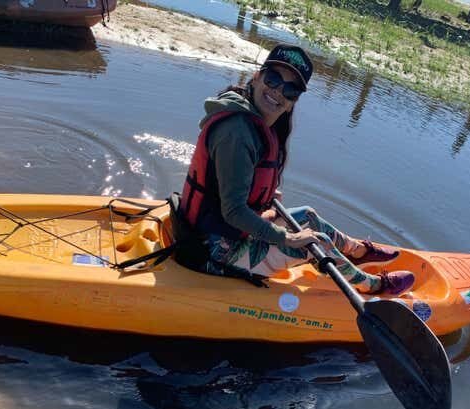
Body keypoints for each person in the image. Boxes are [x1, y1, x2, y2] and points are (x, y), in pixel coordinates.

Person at [176, 44, 414, 295]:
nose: (278, 91)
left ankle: (356, 252)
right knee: (316, 242)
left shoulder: (249, 121)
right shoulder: (237, 132)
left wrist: (264, 199)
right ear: (257, 77)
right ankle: (372, 286)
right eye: (273, 79)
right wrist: (287, 239)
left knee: (307, 215)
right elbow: (234, 211)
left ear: (292, 102)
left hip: (215, 231)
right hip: (212, 250)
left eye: (290, 90)